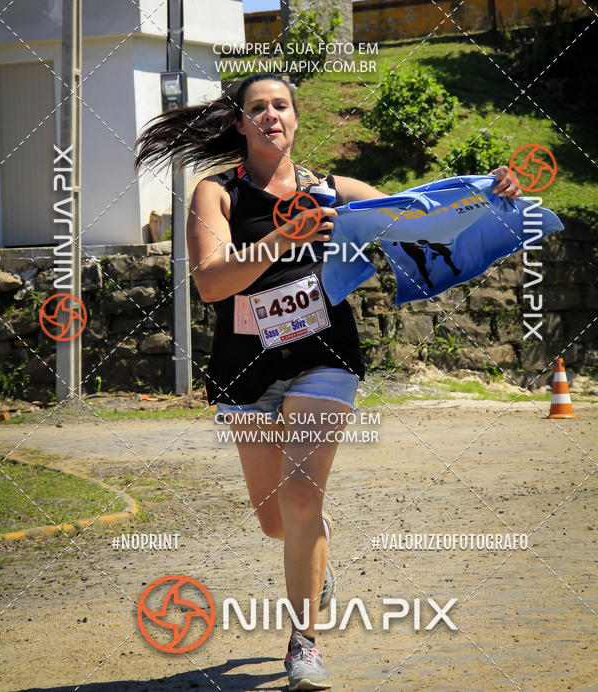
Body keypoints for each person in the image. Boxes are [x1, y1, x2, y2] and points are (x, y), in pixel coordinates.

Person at [134, 72, 521, 690]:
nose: (271, 116)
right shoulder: (217, 194)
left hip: (325, 359)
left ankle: (303, 644)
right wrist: (283, 237)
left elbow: (416, 215)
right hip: (246, 368)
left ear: (295, 119)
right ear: (239, 123)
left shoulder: (334, 190)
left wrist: (489, 193)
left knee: (301, 496)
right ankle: (313, 551)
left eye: (281, 106)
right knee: (273, 518)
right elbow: (210, 283)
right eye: (257, 108)